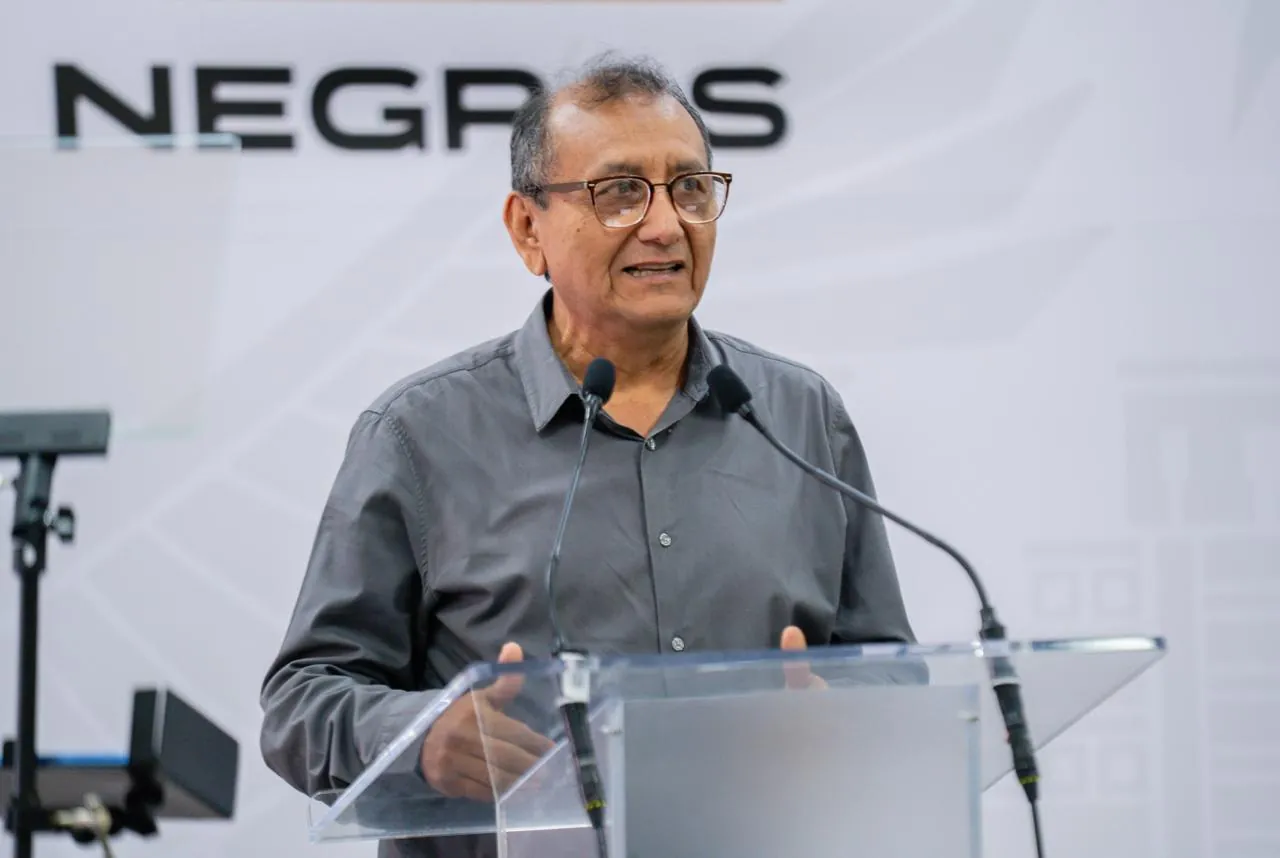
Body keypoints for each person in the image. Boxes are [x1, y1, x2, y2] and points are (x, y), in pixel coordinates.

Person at [259, 54, 917, 858]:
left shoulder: (798, 414)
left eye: (690, 188)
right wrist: (421, 734)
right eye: (619, 193)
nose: (666, 224)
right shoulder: (419, 434)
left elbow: (892, 672)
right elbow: (301, 702)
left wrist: (841, 717)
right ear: (526, 228)